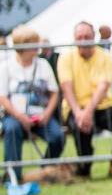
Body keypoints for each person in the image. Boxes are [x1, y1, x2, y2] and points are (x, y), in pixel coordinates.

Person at [57, 21, 112, 179]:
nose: (83, 40)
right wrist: (79, 113)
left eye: (87, 36)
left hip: (103, 105)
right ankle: (84, 170)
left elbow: (103, 86)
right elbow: (66, 86)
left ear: (94, 37)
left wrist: (88, 112)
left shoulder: (105, 56)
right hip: (75, 107)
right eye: (80, 37)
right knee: (81, 128)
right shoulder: (65, 58)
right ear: (74, 38)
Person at [1, 25, 66, 183]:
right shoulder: (6, 66)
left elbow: (54, 93)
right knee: (12, 129)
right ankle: (13, 176)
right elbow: (2, 97)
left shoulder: (43, 64)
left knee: (58, 136)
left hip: (40, 115)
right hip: (14, 115)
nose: (38, 47)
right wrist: (20, 117)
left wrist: (46, 114)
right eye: (33, 44)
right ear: (22, 46)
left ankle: (46, 171)